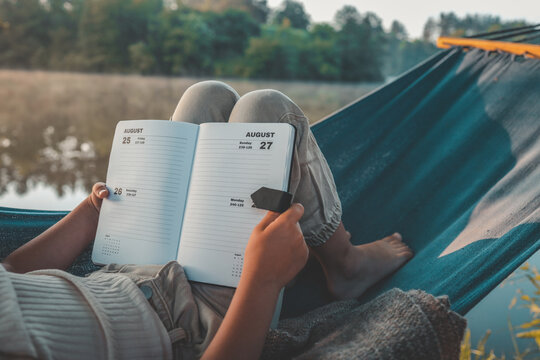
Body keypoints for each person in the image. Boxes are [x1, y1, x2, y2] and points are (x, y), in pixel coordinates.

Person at [1, 81, 413, 360]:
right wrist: (263, 279)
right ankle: (344, 264)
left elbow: (13, 271)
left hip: (127, 262)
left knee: (207, 96)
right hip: (195, 320)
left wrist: (91, 215)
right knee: (268, 111)